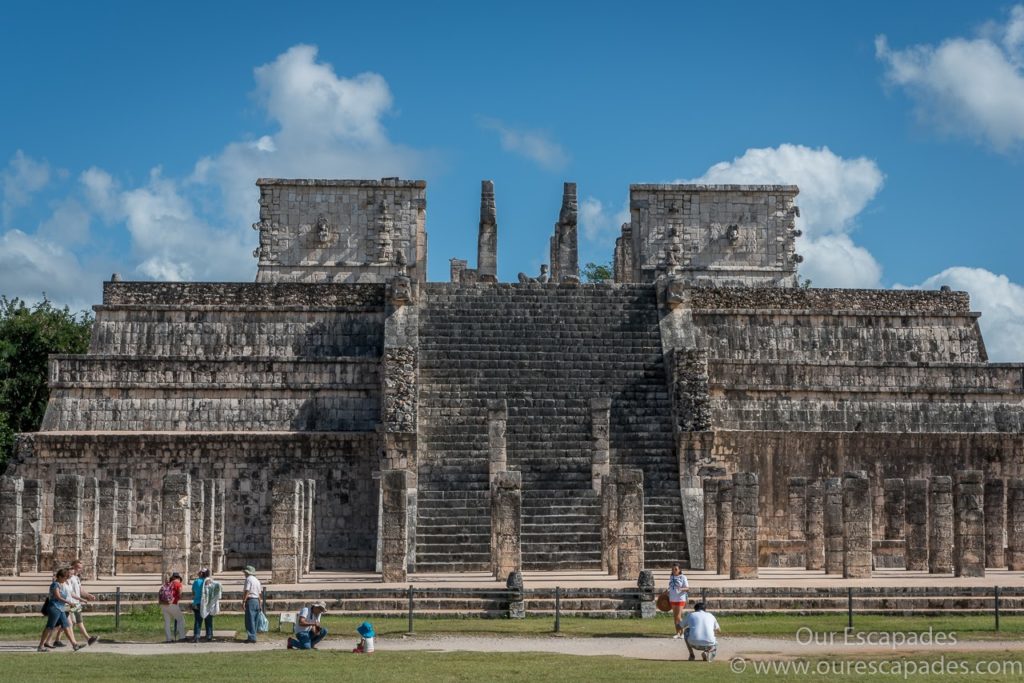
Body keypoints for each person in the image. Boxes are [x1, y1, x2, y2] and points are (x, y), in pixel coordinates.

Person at [37, 568, 84, 652]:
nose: (66, 579)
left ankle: (74, 645)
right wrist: (69, 603)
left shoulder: (63, 584)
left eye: (66, 577)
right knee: (50, 627)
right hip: (54, 607)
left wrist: (80, 599)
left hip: (61, 608)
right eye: (64, 577)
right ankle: (41, 646)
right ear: (59, 577)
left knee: (66, 626)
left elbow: (70, 594)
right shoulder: (55, 585)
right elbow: (58, 597)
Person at [159, 571, 186, 643]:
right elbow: (180, 594)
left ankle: (168, 639)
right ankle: (182, 637)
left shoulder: (168, 584)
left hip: (163, 604)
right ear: (178, 578)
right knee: (180, 620)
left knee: (167, 622)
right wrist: (178, 598)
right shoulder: (178, 584)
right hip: (172, 604)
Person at [199, 569, 222, 642]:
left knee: (207, 619)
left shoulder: (203, 581)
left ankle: (208, 635)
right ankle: (209, 634)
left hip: (206, 603)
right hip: (209, 603)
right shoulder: (212, 581)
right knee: (209, 619)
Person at [190, 568, 213, 642]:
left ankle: (197, 636)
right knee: (208, 619)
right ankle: (209, 635)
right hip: (207, 603)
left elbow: (193, 592)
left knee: (198, 620)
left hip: (197, 603)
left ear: (201, 573)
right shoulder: (210, 581)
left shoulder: (196, 581)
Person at [667, 563, 689, 639]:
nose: (674, 571)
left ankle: (682, 633)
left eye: (676, 569)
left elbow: (687, 588)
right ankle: (677, 633)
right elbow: (670, 587)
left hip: (680, 598)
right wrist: (667, 591)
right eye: (673, 569)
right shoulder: (671, 577)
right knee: (675, 617)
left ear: (679, 570)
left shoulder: (683, 577)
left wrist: (681, 589)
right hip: (672, 598)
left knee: (678, 617)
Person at [242, 566, 263, 644]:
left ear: (247, 572)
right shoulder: (257, 580)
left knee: (249, 620)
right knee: (255, 620)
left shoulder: (248, 579)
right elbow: (260, 593)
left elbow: (247, 590)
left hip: (250, 600)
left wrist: (244, 601)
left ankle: (251, 637)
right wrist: (260, 602)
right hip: (257, 600)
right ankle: (253, 636)